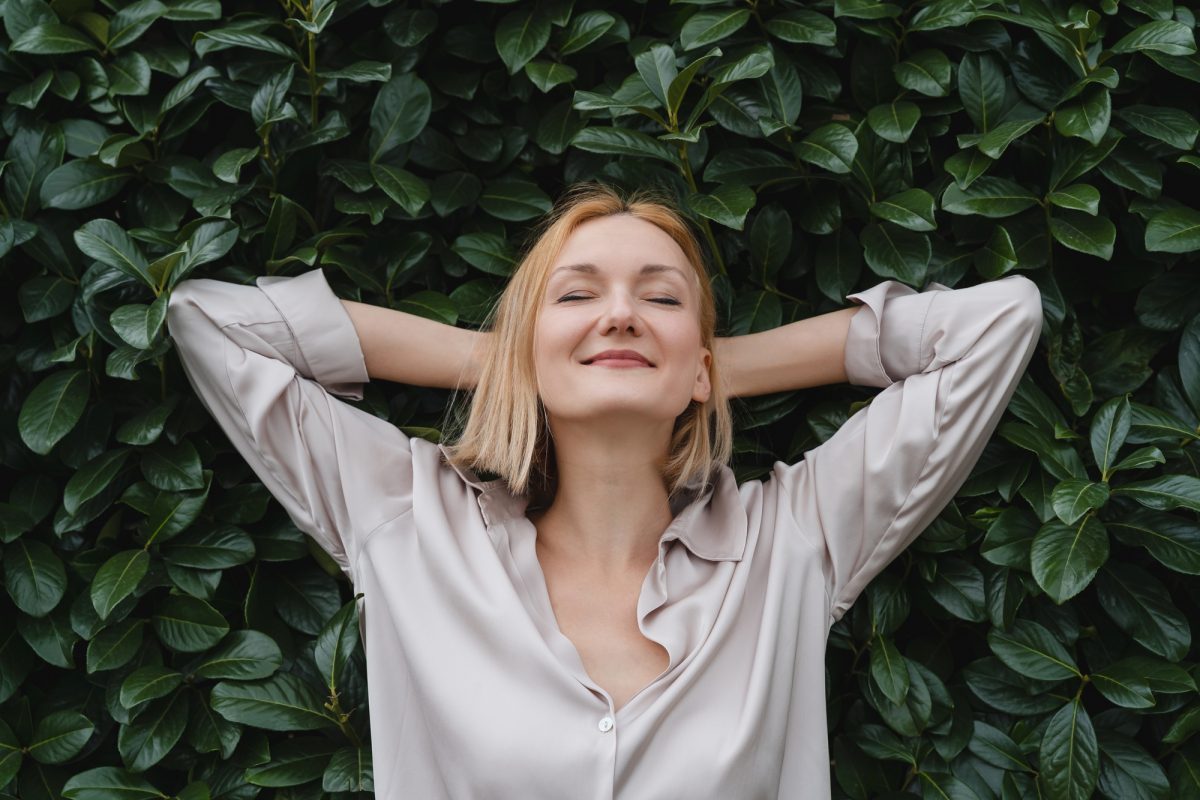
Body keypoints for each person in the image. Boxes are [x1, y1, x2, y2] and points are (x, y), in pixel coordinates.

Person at [165, 181, 1044, 799]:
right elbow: (208, 320)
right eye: (576, 296)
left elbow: (998, 322)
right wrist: (517, 364)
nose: (619, 313)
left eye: (660, 299)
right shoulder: (407, 520)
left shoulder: (793, 542)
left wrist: (706, 366)